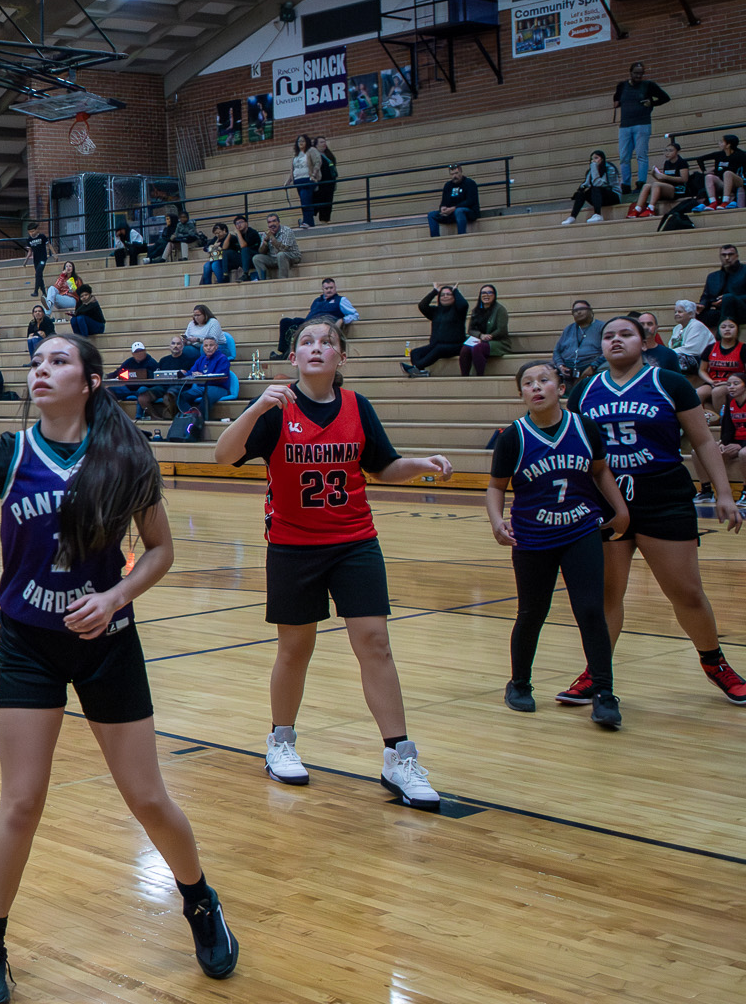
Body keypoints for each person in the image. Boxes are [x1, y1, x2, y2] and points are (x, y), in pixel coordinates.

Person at [0, 333, 239, 1004]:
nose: (42, 370)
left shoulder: (124, 454)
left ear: (89, 382)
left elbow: (161, 550)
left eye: (59, 361)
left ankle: (200, 900)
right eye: (37, 362)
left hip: (107, 641)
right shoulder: (9, 452)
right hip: (29, 642)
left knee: (147, 797)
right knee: (21, 801)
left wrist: (116, 596)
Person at [212, 316, 455, 812]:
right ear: (293, 358)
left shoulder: (357, 406)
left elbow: (383, 467)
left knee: (376, 644)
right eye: (306, 342)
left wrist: (420, 465)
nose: (317, 347)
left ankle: (398, 757)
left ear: (341, 356)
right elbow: (222, 456)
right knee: (295, 649)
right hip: (292, 546)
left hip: (354, 542)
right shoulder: (277, 409)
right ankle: (280, 741)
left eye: (327, 342)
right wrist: (256, 406)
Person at [570, 316, 744, 708]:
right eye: (609, 336)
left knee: (686, 592)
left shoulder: (670, 383)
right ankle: (597, 672)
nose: (616, 340)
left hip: (663, 497)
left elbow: (703, 441)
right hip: (606, 500)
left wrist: (724, 493)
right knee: (607, 595)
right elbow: (579, 451)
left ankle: (714, 663)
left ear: (645, 341)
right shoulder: (584, 391)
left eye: (625, 334)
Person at [486, 361, 630, 724]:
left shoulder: (584, 427)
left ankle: (604, 692)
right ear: (521, 394)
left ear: (560, 388)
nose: (536, 387)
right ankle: (519, 684)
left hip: (580, 530)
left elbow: (600, 470)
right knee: (532, 613)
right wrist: (496, 521)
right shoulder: (513, 437)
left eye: (543, 380)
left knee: (591, 610)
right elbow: (496, 486)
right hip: (532, 537)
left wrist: (620, 509)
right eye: (528, 383)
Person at [612, 60, 669, 193]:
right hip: (625, 125)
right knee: (624, 156)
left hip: (642, 124)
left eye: (641, 73)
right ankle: (625, 184)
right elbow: (616, 100)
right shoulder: (622, 86)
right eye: (636, 73)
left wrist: (652, 102)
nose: (638, 76)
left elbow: (665, 97)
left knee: (641, 155)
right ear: (630, 73)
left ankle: (641, 183)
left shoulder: (648, 85)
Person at [272, 276, 358, 359]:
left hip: (325, 322)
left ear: (335, 288)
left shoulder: (341, 300)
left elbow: (354, 315)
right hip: (310, 322)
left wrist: (342, 320)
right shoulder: (317, 301)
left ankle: (286, 356)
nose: (329, 290)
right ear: (323, 289)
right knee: (286, 322)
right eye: (326, 288)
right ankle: (284, 352)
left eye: (331, 288)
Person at [402, 283, 467, 377]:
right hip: (436, 345)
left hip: (455, 346)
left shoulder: (459, 311)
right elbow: (422, 306)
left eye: (449, 294)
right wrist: (435, 291)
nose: (445, 296)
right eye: (442, 295)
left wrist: (456, 291)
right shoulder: (436, 311)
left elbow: (464, 305)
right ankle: (420, 372)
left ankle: (415, 368)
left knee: (439, 348)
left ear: (454, 297)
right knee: (415, 352)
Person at [628, 137, 691, 218]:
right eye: (666, 151)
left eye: (670, 151)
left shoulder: (682, 162)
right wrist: (655, 175)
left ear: (677, 152)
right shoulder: (667, 163)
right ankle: (637, 209)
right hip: (668, 187)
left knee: (656, 184)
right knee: (647, 185)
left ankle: (651, 208)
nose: (667, 153)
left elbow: (684, 179)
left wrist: (665, 176)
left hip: (679, 189)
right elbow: (664, 180)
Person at [458, 284, 510, 376]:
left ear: (494, 295)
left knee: (478, 348)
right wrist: (480, 336)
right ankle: (464, 377)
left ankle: (480, 376)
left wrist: (489, 336)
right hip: (480, 339)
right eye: (484, 293)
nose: (486, 295)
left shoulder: (500, 310)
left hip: (497, 341)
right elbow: (471, 330)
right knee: (465, 349)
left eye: (490, 292)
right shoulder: (476, 310)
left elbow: (501, 330)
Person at [139, 335, 195, 420]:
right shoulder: (163, 360)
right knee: (142, 398)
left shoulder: (189, 360)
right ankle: (156, 418)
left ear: (182, 346)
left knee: (168, 397)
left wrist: (186, 373)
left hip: (180, 386)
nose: (175, 346)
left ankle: (170, 420)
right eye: (173, 343)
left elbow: (192, 375)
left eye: (178, 344)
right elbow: (157, 375)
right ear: (170, 346)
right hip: (163, 386)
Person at [179, 334, 235, 419]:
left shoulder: (222, 358)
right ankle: (193, 416)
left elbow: (221, 377)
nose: (208, 348)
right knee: (182, 397)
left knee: (206, 395)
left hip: (218, 388)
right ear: (203, 348)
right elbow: (191, 372)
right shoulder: (201, 359)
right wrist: (186, 373)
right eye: (206, 346)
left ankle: (202, 421)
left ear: (216, 347)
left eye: (211, 345)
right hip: (202, 387)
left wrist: (203, 375)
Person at [552, 299, 605, 387]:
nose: (578, 312)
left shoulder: (602, 327)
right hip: (568, 371)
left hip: (592, 368)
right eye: (575, 311)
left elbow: (607, 351)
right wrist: (560, 365)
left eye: (582, 309)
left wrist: (593, 366)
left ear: (590, 311)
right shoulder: (568, 329)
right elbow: (557, 351)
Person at [562, 150, 619, 224]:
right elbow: (587, 183)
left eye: (596, 158)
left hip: (613, 196)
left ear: (602, 159)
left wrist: (594, 168)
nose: (593, 161)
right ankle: (572, 217)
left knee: (596, 188)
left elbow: (598, 184)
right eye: (592, 159)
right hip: (599, 197)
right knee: (581, 194)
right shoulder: (591, 170)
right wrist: (581, 189)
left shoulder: (609, 168)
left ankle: (598, 214)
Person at [698, 243, 746, 329]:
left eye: (730, 254)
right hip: (720, 311)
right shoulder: (713, 276)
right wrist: (703, 305)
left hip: (741, 311)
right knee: (690, 310)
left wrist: (731, 299)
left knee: (728, 298)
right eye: (724, 255)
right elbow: (705, 297)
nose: (727, 258)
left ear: (736, 256)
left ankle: (721, 334)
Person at [427, 163, 478, 237]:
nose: (454, 176)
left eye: (456, 173)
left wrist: (454, 208)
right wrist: (443, 208)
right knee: (431, 215)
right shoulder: (448, 185)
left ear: (461, 172)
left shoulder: (470, 183)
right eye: (452, 174)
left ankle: (462, 236)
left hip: (468, 212)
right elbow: (444, 202)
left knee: (459, 211)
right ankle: (435, 239)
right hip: (451, 213)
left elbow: (470, 201)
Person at [701, 133, 744, 209]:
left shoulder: (741, 155)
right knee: (709, 177)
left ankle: (725, 201)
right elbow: (700, 159)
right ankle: (713, 202)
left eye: (722, 142)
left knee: (727, 173)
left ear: (728, 145)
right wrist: (704, 170)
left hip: (738, 181)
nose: (719, 143)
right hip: (724, 182)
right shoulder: (720, 155)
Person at [254, 212, 301, 280]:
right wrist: (265, 243)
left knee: (281, 255)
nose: (272, 224)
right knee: (256, 258)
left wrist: (272, 237)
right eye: (269, 222)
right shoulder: (266, 234)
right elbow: (261, 252)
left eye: (274, 221)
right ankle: (265, 279)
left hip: (291, 256)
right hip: (274, 258)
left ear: (278, 222)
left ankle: (282, 279)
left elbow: (283, 249)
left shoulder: (287, 231)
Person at [111, 341, 155, 411]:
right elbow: (119, 371)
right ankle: (115, 413)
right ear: (133, 354)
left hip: (144, 389)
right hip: (128, 388)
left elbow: (155, 377)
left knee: (142, 390)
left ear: (145, 351)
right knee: (110, 390)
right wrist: (107, 376)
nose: (139, 353)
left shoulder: (152, 362)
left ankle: (139, 416)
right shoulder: (129, 361)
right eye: (136, 352)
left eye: (141, 351)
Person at [670, 299, 714, 367]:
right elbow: (671, 346)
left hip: (701, 361)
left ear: (690, 314)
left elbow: (692, 349)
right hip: (680, 357)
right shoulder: (677, 328)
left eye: (680, 312)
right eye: (675, 312)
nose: (676, 314)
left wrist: (669, 353)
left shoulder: (696, 325)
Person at [286, 133, 317, 228]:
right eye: (299, 141)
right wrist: (288, 181)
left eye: (303, 141)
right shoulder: (296, 156)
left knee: (305, 200)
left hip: (307, 179)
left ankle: (307, 221)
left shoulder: (309, 153)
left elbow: (316, 164)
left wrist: (314, 175)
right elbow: (292, 170)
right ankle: (309, 222)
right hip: (298, 181)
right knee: (303, 201)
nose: (301, 143)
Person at [312, 137, 339, 225]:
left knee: (328, 202)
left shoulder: (329, 155)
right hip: (320, 183)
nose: (324, 144)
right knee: (318, 202)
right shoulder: (315, 156)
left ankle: (326, 220)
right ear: (316, 145)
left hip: (330, 182)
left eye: (324, 142)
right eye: (321, 142)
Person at [24, 228, 50, 297]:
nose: (32, 233)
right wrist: (26, 261)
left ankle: (36, 291)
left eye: (33, 231)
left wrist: (54, 254)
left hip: (43, 258)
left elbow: (49, 245)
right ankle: (44, 292)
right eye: (30, 232)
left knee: (38, 273)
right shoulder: (29, 239)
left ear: (36, 230)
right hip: (36, 259)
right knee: (39, 275)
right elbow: (30, 251)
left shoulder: (42, 236)